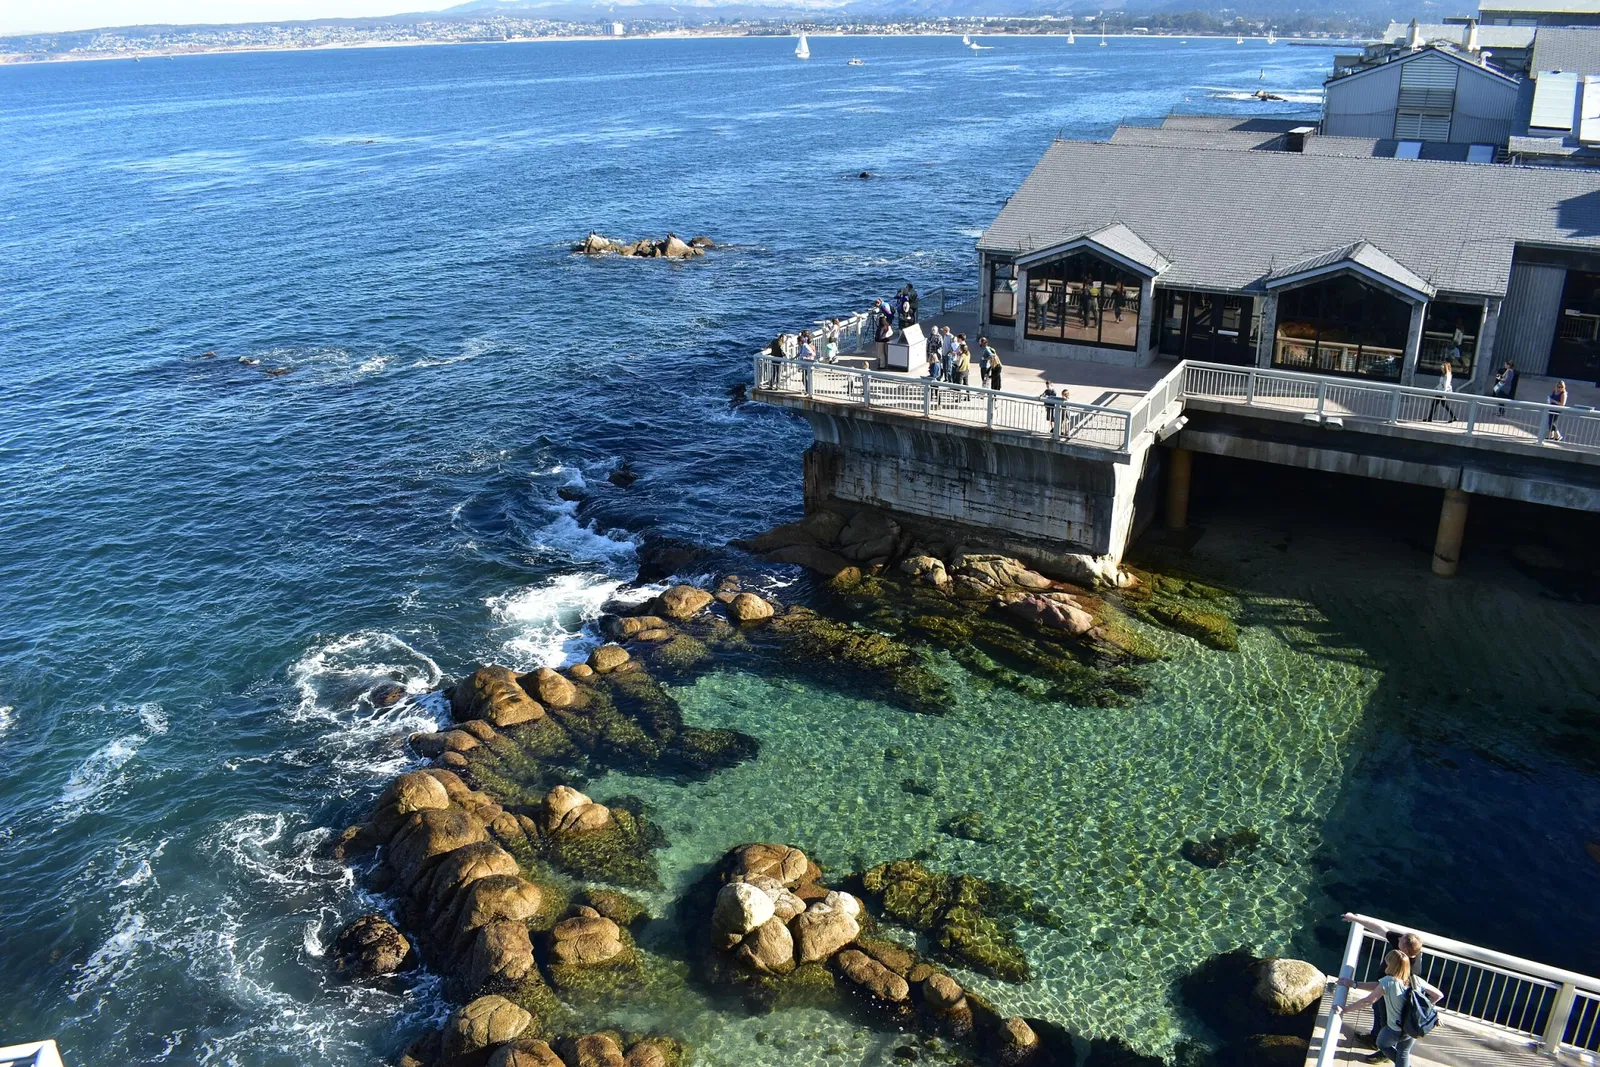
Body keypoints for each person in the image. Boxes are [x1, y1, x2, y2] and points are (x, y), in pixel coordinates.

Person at [1334, 949, 1442, 1067]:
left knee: (1381, 1043)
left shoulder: (1388, 981)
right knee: (1403, 1053)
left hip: (1395, 1029)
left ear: (1391, 965)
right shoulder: (1416, 980)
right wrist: (1424, 1008)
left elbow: (1368, 1001)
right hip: (1412, 1026)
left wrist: (1344, 1010)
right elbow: (1438, 995)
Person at [1338, 916, 1426, 1045]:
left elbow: (1380, 987)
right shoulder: (1404, 944)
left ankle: (1380, 1045)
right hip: (1387, 991)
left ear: (1405, 950)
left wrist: (1354, 985)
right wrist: (1355, 919)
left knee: (1386, 1020)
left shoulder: (1410, 971)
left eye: (1400, 940)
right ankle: (1375, 1037)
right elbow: (1381, 929)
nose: (1398, 938)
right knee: (1378, 1011)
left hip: (1392, 999)